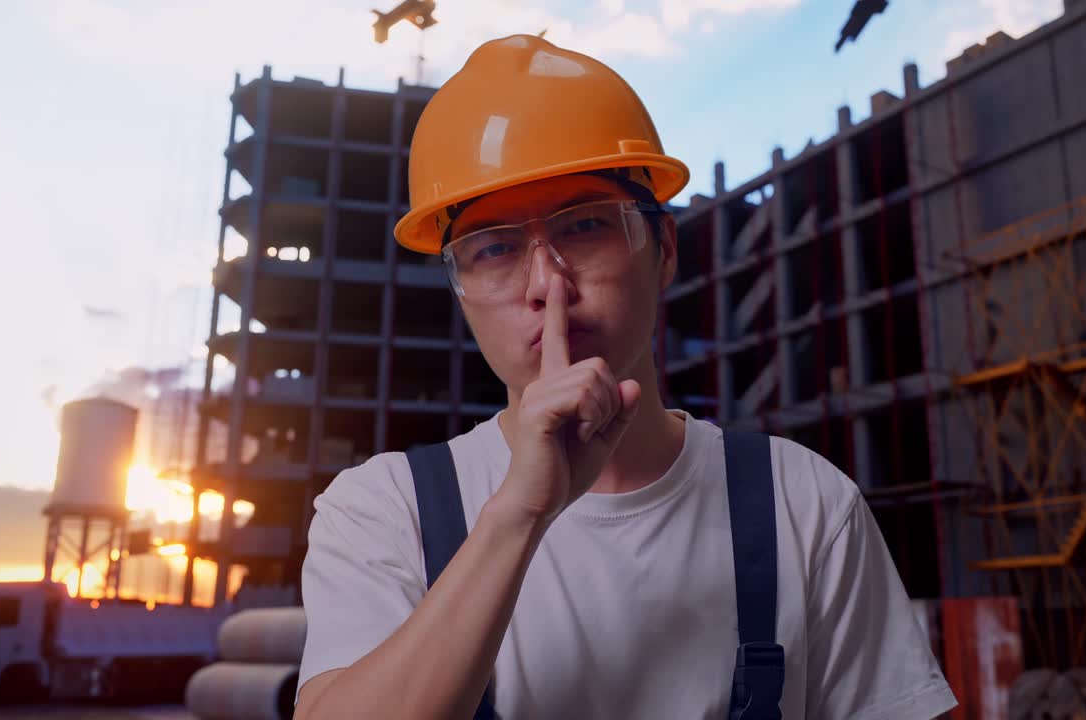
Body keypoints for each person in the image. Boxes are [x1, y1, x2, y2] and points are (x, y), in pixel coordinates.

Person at [292, 33, 957, 719]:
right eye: (494, 249)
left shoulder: (805, 502)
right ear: (461, 291)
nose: (548, 285)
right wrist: (519, 514)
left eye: (583, 227)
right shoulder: (385, 511)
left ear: (662, 249)